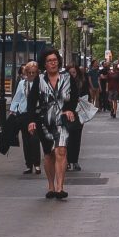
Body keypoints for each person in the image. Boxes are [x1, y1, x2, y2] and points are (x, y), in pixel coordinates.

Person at [34, 50, 78, 200]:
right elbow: (31, 101)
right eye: (49, 60)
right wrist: (31, 121)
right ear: (44, 64)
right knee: (49, 154)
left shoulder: (67, 78)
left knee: (61, 151)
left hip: (62, 121)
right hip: (43, 121)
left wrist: (70, 109)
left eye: (55, 60)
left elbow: (75, 96)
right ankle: (51, 186)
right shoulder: (39, 80)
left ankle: (60, 187)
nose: (53, 63)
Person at [8, 60, 43, 175]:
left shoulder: (40, 83)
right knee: (26, 140)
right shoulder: (22, 83)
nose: (32, 75)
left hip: (35, 114)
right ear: (26, 73)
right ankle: (28, 165)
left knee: (34, 139)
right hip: (23, 114)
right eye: (30, 73)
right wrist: (12, 110)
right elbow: (17, 97)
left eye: (34, 73)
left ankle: (37, 164)